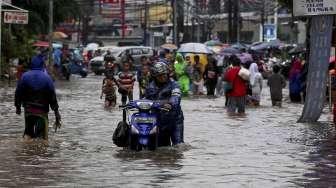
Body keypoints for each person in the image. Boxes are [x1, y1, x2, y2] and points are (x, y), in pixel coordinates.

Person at [15, 54, 61, 140]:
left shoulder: (24, 76)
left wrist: (18, 107)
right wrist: (56, 112)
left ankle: (25, 150)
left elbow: (18, 92)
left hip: (28, 111)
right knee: (42, 139)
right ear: (42, 64)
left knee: (28, 134)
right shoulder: (47, 78)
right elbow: (52, 96)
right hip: (42, 112)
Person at [145, 62, 184, 146]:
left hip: (175, 121)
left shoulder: (174, 85)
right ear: (155, 77)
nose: (163, 77)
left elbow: (176, 98)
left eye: (165, 74)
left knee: (178, 145)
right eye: (160, 75)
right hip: (158, 121)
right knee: (161, 148)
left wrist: (170, 103)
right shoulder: (150, 87)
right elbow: (146, 101)